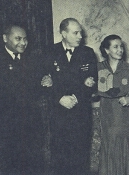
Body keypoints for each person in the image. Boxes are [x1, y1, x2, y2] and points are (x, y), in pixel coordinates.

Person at [41, 18, 98, 175]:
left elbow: (92, 83)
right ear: (63, 33)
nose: (80, 36)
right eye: (75, 33)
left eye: (80, 32)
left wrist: (76, 97)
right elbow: (44, 83)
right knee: (59, 156)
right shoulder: (49, 52)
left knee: (80, 157)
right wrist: (60, 97)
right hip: (58, 115)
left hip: (80, 114)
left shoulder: (88, 53)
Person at [0, 24, 44, 174]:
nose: (23, 43)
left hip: (30, 123)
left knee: (31, 162)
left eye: (25, 39)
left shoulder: (32, 60)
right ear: (5, 39)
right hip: (5, 125)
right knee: (8, 163)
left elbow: (35, 89)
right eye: (18, 38)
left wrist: (45, 82)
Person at [96, 34, 129, 175]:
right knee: (109, 142)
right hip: (106, 111)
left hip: (124, 112)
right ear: (107, 50)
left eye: (121, 46)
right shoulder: (98, 67)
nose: (120, 49)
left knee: (123, 142)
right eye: (115, 47)